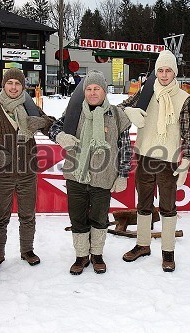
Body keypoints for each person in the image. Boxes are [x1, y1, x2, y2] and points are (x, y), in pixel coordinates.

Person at [49, 70, 131, 275]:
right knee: (77, 217)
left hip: (104, 176)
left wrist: (122, 174)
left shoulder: (117, 115)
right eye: (89, 89)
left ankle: (97, 255)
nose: (93, 93)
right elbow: (53, 128)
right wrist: (60, 136)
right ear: (84, 91)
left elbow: (125, 147)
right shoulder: (74, 112)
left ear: (104, 91)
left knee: (99, 218)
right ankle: (81, 255)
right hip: (76, 174)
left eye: (97, 89)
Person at [120, 50, 190, 272]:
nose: (164, 74)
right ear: (156, 71)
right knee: (143, 203)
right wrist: (129, 112)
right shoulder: (146, 92)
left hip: (168, 159)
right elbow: (121, 108)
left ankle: (168, 251)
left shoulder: (184, 98)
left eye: (168, 70)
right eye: (160, 70)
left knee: (168, 206)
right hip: (144, 155)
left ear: (175, 72)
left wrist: (187, 159)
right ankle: (142, 244)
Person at [0, 68, 54, 267]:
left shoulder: (29, 107)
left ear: (23, 87)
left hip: (28, 171)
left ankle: (27, 250)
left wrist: (40, 121)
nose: (13, 87)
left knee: (27, 215)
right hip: (3, 174)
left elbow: (51, 124)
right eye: (10, 83)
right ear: (3, 85)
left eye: (17, 84)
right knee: (1, 216)